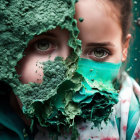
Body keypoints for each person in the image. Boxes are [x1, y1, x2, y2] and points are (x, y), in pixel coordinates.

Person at [0, 0, 140, 140]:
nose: (71, 75)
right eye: (43, 44)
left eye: (99, 52)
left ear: (124, 49)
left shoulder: (131, 115)